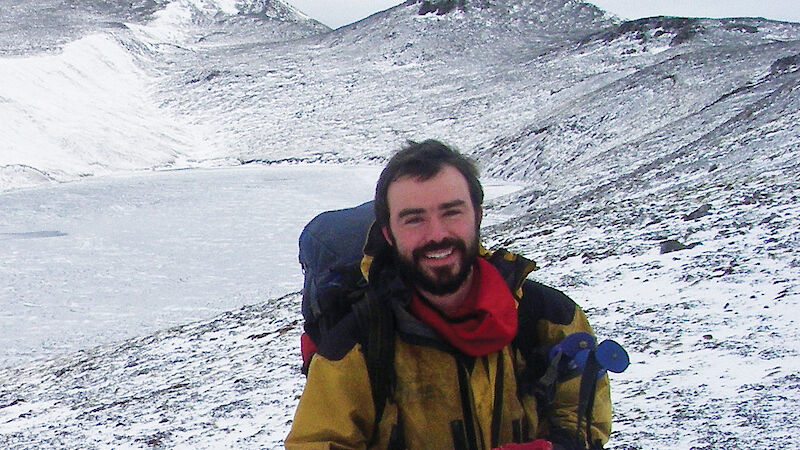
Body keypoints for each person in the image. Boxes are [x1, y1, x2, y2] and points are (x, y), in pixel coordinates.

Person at [285, 140, 612, 449]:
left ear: (477, 216)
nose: (436, 234)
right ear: (389, 233)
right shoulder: (356, 346)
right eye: (414, 219)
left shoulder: (552, 319)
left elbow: (584, 418)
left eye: (451, 212)